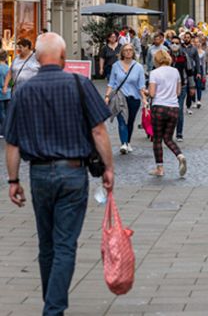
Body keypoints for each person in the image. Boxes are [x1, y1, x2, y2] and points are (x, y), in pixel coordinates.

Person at [4, 32, 115, 316]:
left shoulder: (24, 90)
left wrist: (13, 180)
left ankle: (52, 303)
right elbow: (99, 130)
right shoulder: (79, 84)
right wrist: (109, 168)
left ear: (37, 58)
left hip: (39, 174)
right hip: (73, 173)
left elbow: (12, 142)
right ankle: (53, 309)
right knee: (65, 244)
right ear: (64, 57)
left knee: (47, 244)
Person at [148, 50, 188, 177]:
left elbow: (152, 93)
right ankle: (180, 156)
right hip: (173, 108)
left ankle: (160, 168)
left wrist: (145, 92)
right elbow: (177, 92)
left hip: (159, 107)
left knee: (157, 139)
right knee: (168, 138)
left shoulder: (154, 73)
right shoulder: (175, 71)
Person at [104, 43, 147, 155]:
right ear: (122, 52)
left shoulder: (138, 67)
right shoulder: (116, 66)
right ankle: (123, 143)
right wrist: (107, 97)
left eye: (130, 50)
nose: (128, 52)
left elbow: (141, 85)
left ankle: (127, 142)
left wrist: (144, 100)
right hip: (120, 97)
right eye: (126, 50)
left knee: (130, 121)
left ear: (133, 52)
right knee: (122, 121)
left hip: (134, 98)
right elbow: (111, 83)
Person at [169, 36, 196, 141]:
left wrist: (192, 86)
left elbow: (189, 71)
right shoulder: (166, 55)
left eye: (177, 43)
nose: (174, 45)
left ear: (180, 44)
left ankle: (179, 133)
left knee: (179, 109)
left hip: (182, 86)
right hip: (169, 87)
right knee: (170, 110)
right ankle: (169, 132)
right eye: (173, 42)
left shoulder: (184, 55)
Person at [0, 50, 9, 137]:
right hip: (8, 93)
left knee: (1, 112)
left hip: (0, 93)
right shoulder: (8, 68)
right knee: (7, 112)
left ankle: (3, 131)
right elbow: (11, 82)